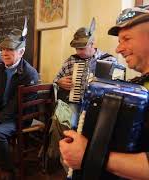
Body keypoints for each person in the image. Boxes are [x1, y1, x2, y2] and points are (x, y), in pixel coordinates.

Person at [59, 6, 149, 179]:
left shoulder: (108, 60)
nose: (118, 49)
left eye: (126, 39)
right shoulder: (138, 85)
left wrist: (89, 156)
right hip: (72, 103)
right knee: (62, 121)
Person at [0, 29, 39, 179]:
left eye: (10, 49)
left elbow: (14, 106)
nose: (4, 53)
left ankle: (8, 170)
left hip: (21, 115)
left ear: (21, 51)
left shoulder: (29, 74)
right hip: (3, 111)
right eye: (3, 49)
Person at [53, 20, 118, 128]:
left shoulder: (109, 61)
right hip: (75, 104)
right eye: (76, 48)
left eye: (82, 48)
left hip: (98, 107)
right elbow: (56, 80)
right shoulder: (71, 60)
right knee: (66, 124)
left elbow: (117, 89)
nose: (78, 52)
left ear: (92, 44)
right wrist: (59, 82)